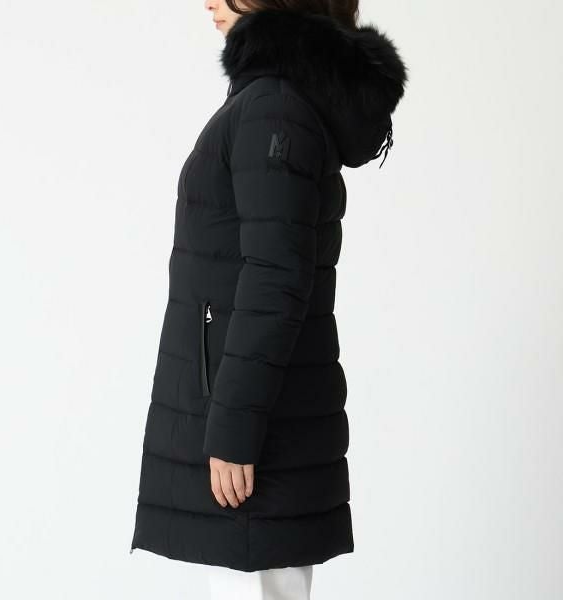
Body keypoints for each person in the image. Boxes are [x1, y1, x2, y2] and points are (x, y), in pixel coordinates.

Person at [130, 1, 407, 598]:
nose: (209, 1)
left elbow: (275, 279)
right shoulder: (273, 101)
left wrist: (232, 431)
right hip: (264, 421)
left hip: (257, 436)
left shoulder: (273, 108)